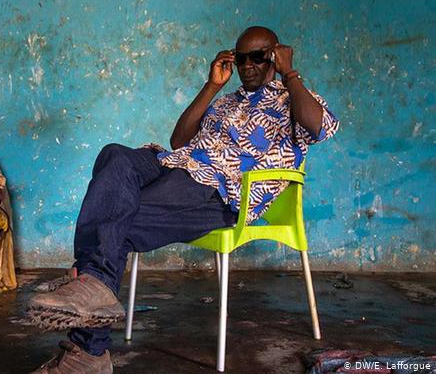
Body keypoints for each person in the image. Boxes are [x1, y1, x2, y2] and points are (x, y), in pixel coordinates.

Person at [27, 26, 340, 373]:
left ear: (276, 55)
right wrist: (212, 86)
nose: (247, 66)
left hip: (218, 192)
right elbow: (180, 140)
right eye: (240, 59)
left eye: (258, 57)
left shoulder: (292, 98)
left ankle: (89, 350)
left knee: (118, 219)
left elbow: (318, 127)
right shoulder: (227, 101)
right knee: (114, 157)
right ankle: (94, 288)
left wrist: (290, 73)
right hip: (174, 165)